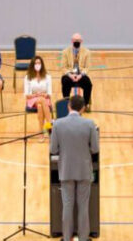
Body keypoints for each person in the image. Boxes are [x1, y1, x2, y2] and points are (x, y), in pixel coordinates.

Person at [50, 96, 99, 241]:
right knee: (83, 206)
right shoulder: (90, 124)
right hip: (84, 170)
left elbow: (53, 149)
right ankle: (83, 238)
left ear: (69, 106)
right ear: (83, 108)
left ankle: (66, 237)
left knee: (67, 205)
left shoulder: (58, 124)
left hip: (66, 170)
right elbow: (95, 149)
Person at [60, 33, 93, 110]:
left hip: (81, 74)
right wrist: (70, 75)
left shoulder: (87, 52)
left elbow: (87, 67)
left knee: (88, 84)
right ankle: (66, 103)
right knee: (65, 81)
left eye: (78, 40)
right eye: (75, 40)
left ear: (81, 41)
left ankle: (85, 104)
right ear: (72, 41)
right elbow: (63, 67)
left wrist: (80, 75)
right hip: (70, 74)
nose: (76, 42)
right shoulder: (65, 52)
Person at [23, 56, 53, 140]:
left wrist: (44, 95)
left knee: (40, 105)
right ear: (32, 65)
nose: (37, 65)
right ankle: (50, 126)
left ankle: (41, 133)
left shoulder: (47, 76)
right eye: (36, 63)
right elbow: (27, 95)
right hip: (32, 100)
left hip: (44, 99)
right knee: (41, 101)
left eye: (39, 63)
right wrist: (36, 95)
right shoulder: (28, 77)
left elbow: (49, 94)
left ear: (42, 64)